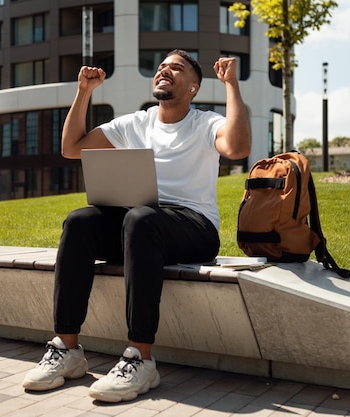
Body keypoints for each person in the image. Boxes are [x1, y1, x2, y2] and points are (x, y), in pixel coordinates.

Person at [22, 49, 251, 402]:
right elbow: (72, 147)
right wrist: (84, 91)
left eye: (176, 68)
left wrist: (232, 85)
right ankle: (67, 350)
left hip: (194, 227)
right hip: (141, 225)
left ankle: (140, 359)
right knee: (80, 221)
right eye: (162, 67)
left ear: (193, 87)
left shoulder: (205, 122)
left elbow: (237, 147)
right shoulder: (136, 123)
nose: (165, 71)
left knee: (140, 218)